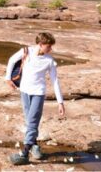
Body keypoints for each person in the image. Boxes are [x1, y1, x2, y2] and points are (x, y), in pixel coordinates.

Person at [5, 32, 65, 165]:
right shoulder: (26, 51)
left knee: (32, 122)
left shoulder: (49, 61)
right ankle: (35, 145)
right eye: (49, 46)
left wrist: (60, 102)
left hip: (38, 93)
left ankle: (24, 153)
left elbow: (55, 81)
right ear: (40, 44)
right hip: (24, 91)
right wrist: (7, 78)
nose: (51, 49)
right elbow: (11, 60)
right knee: (29, 121)